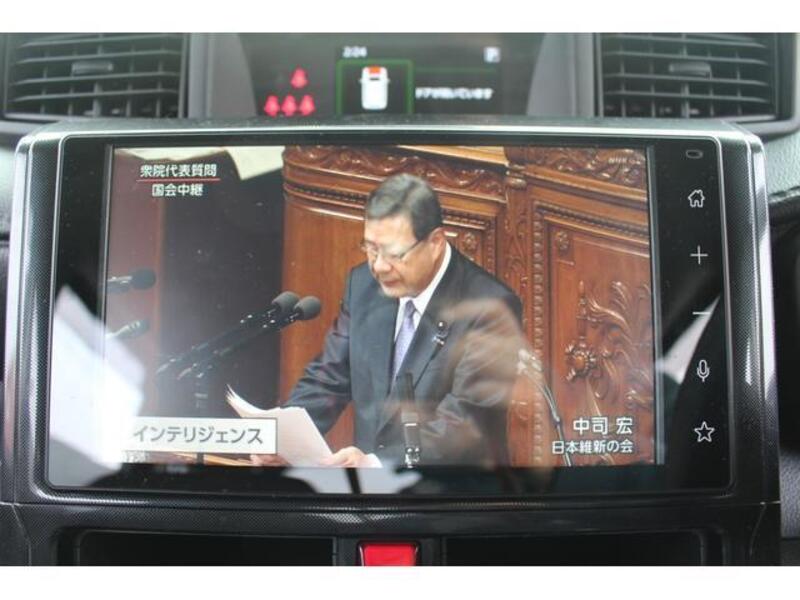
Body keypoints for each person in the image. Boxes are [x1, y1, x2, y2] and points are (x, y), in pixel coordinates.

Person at [255, 173, 523, 468]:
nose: (380, 267)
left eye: (394, 253)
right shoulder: (363, 285)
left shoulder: (490, 308)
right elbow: (328, 378)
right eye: (371, 249)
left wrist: (376, 464)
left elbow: (465, 423)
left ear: (435, 242)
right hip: (368, 491)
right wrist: (279, 438)